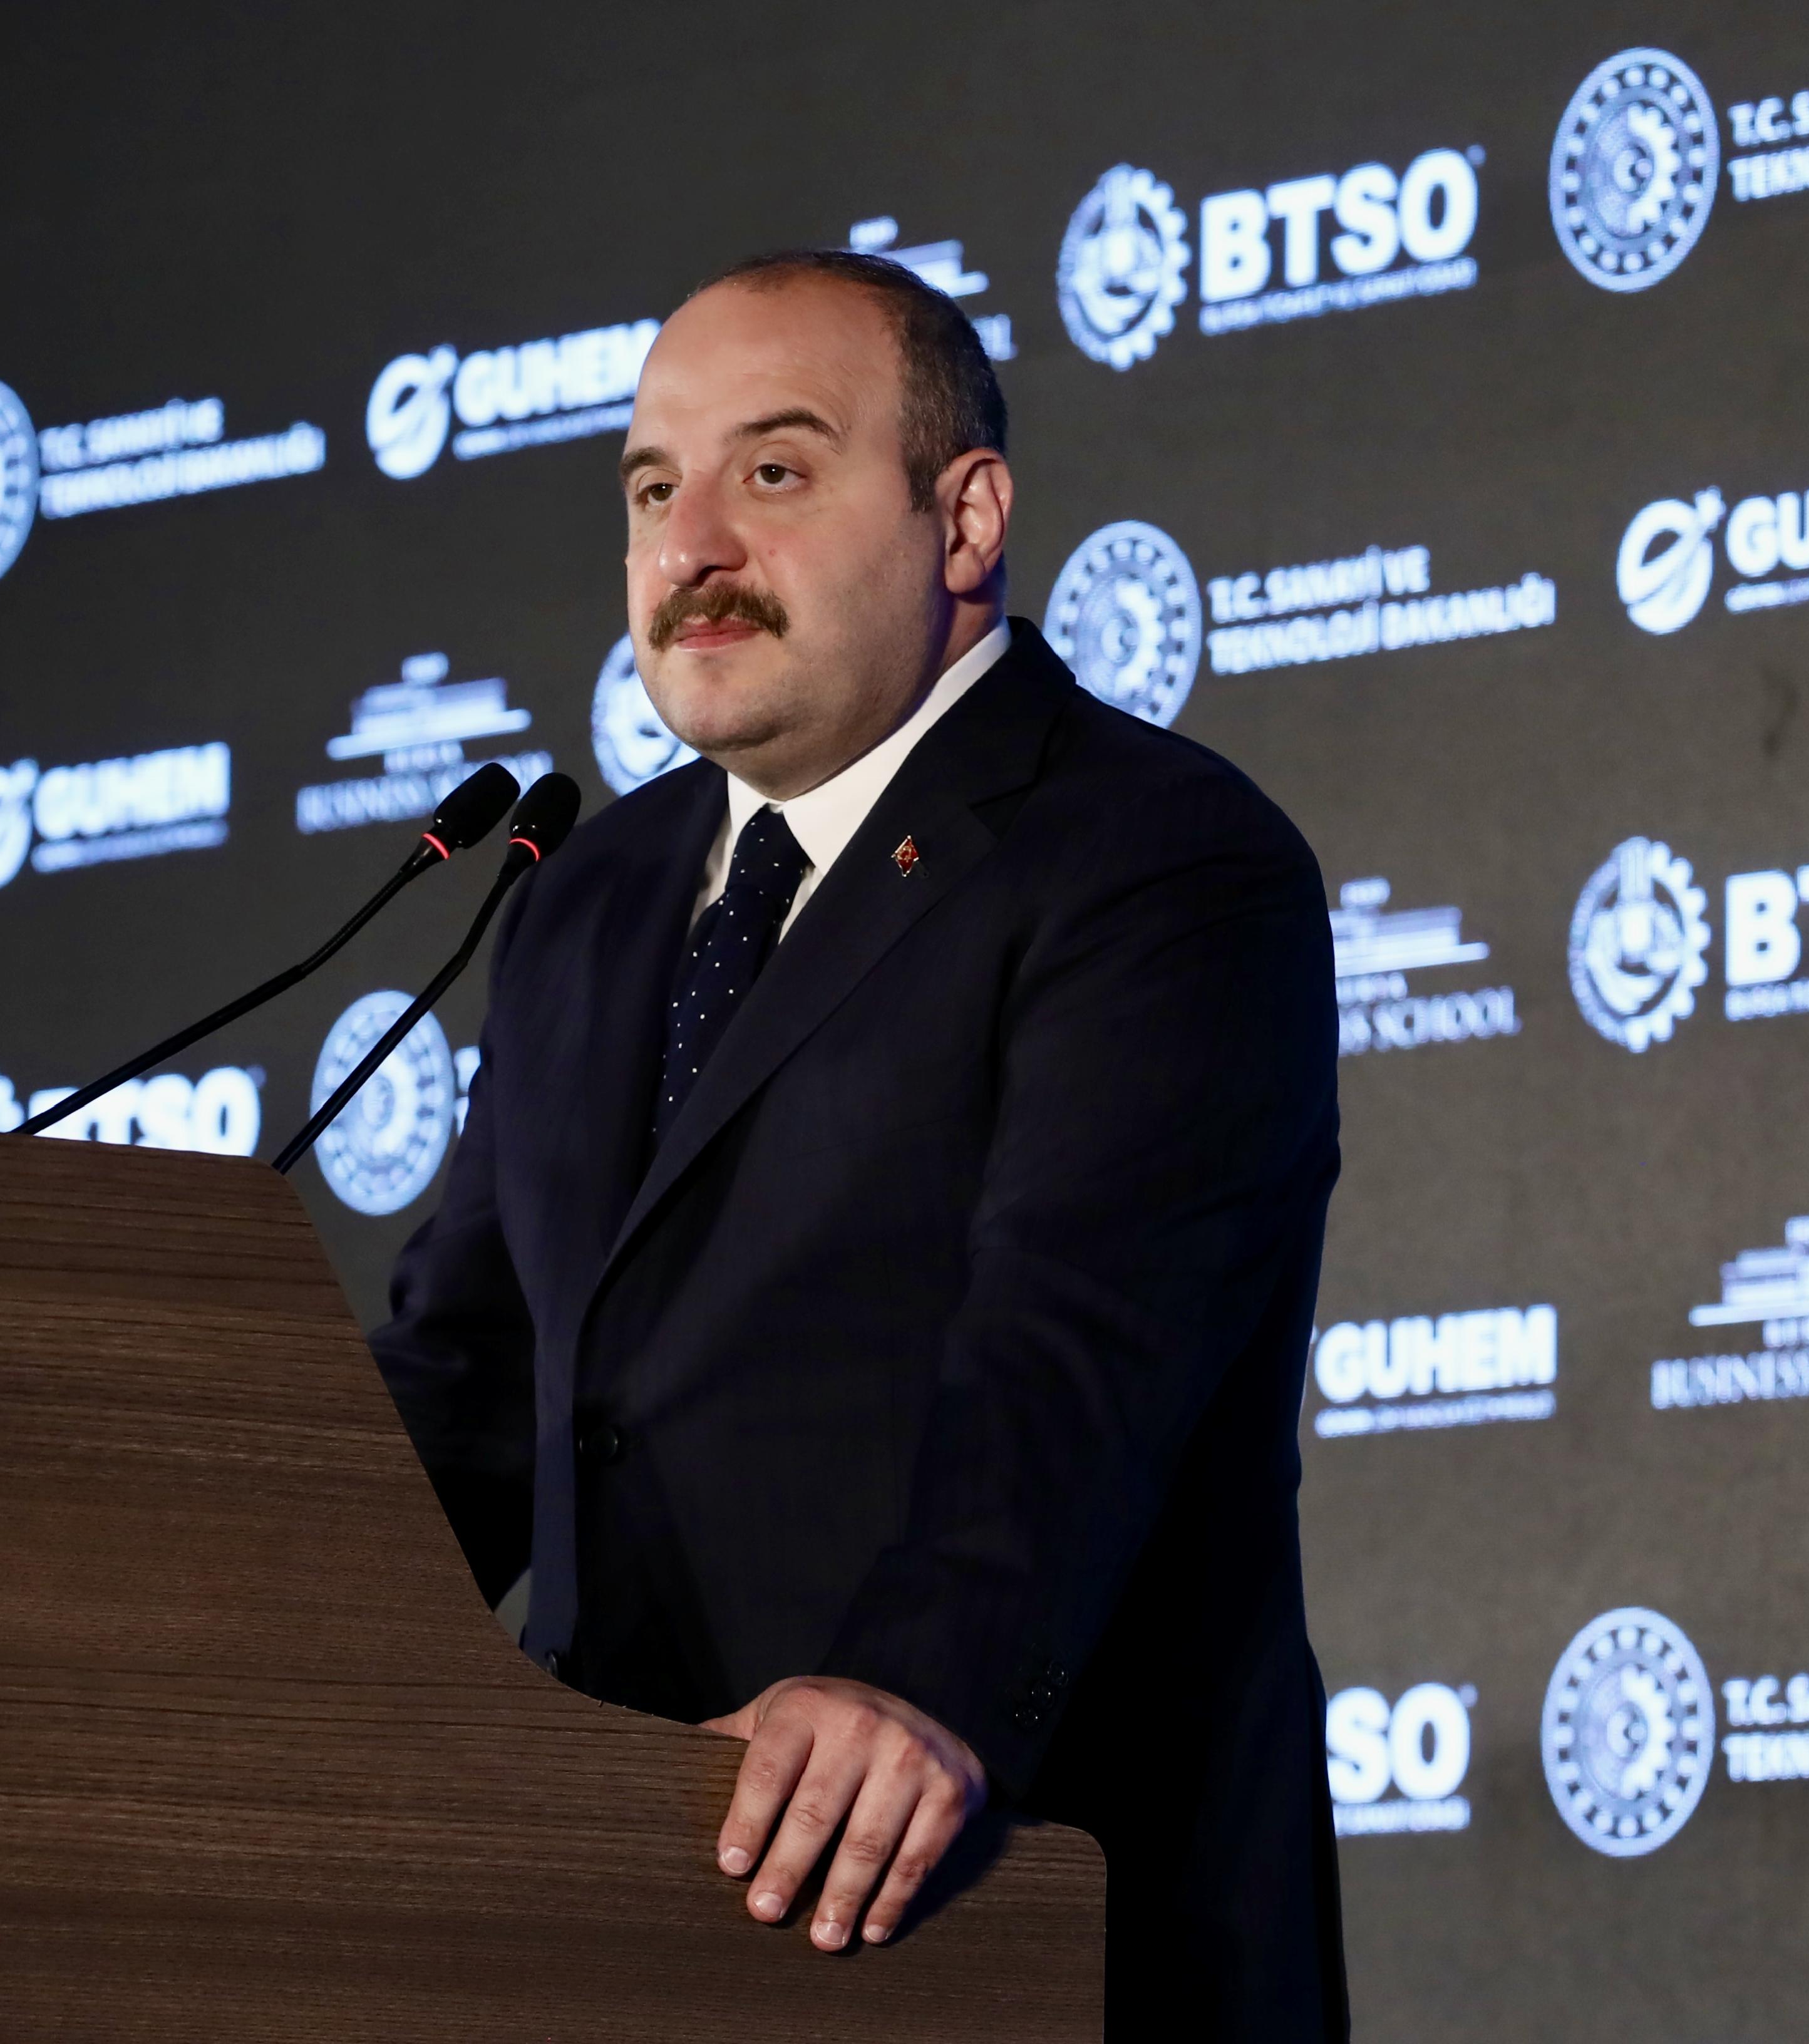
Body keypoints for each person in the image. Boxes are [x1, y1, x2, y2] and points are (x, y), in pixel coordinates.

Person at [370, 248, 1348, 2040]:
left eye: (776, 469)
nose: (691, 546)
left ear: (964, 517)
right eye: (652, 489)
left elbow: (1074, 1361)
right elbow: (473, 1384)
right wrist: (201, 1643)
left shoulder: (1158, 862)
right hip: (616, 1918)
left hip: (1014, 1913)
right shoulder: (592, 893)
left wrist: (921, 1685)